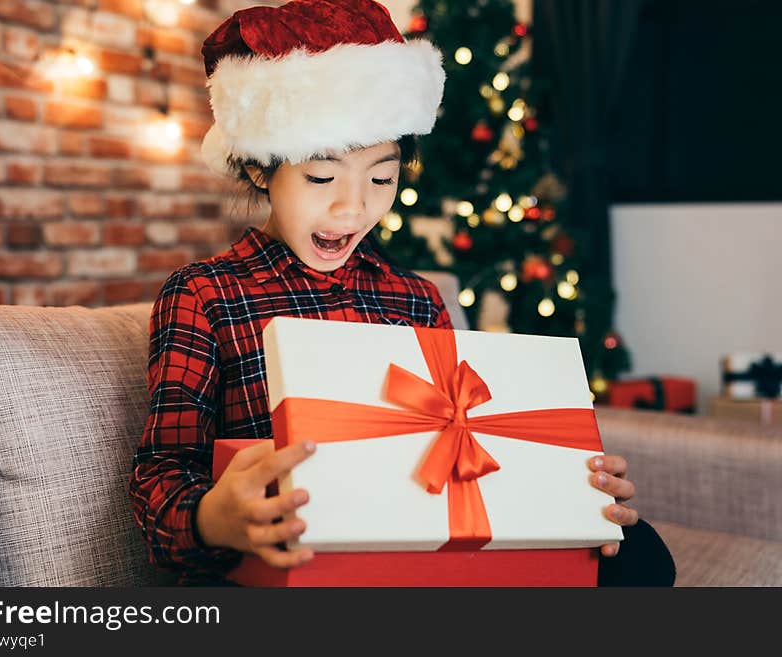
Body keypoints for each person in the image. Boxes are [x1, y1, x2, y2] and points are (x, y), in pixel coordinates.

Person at [129, 0, 674, 587]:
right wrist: (215, 517)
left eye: (381, 177)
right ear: (262, 169)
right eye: (321, 176)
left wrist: (568, 488)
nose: (354, 205)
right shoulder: (205, 294)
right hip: (289, 565)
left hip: (409, 548)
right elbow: (163, 477)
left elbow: (461, 447)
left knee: (640, 555)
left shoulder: (415, 300)